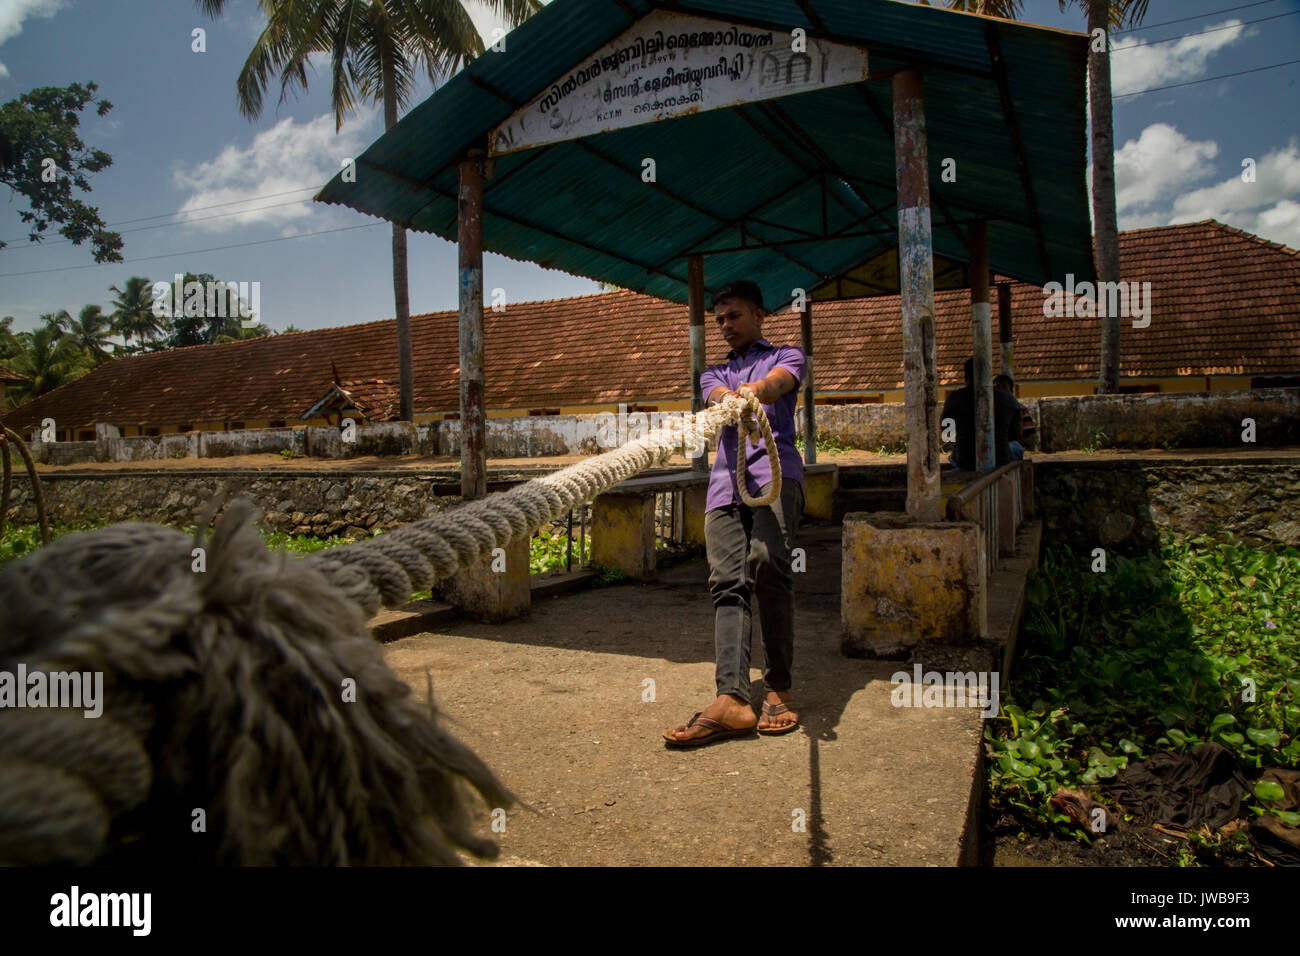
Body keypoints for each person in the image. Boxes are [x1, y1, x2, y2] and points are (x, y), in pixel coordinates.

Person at [663, 279, 805, 748]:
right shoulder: (711, 375)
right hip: (726, 485)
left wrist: (756, 391)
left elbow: (780, 384)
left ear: (760, 316)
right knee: (727, 581)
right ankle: (733, 698)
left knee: (769, 564)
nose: (725, 325)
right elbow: (714, 399)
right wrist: (732, 398)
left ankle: (779, 686)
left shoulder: (788, 354)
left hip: (776, 475)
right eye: (719, 318)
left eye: (734, 316)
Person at [941, 357, 1022, 470]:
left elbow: (946, 432)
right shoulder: (1008, 398)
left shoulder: (954, 398)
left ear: (966, 377)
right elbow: (1017, 434)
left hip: (965, 461)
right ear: (990, 376)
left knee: (954, 453)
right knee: (1016, 447)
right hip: (1001, 460)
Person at [994, 373, 1035, 458]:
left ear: (1011, 392)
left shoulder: (1020, 409)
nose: (1000, 390)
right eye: (997, 387)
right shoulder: (986, 411)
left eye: (1004, 387)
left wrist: (1005, 442)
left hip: (1010, 448)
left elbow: (1030, 440)